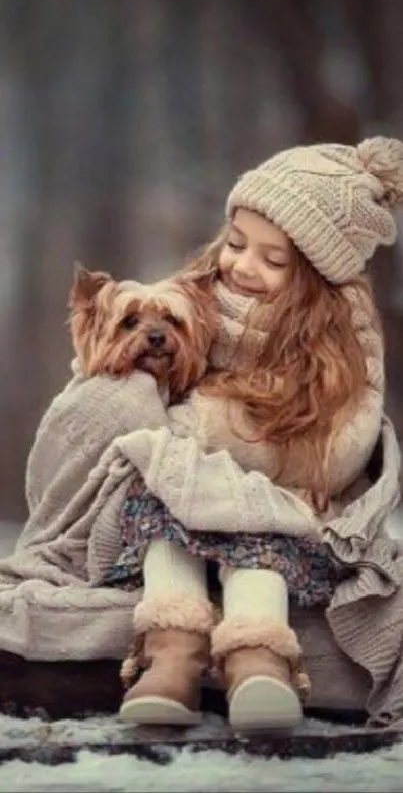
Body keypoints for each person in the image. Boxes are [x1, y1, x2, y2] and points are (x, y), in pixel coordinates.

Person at [0, 136, 402, 732]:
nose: (243, 266)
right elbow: (104, 404)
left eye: (274, 259)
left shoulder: (348, 341)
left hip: (286, 509)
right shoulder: (197, 295)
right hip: (176, 510)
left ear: (317, 275)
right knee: (167, 512)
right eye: (237, 244)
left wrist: (188, 438)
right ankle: (170, 656)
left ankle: (260, 662)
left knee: (252, 527)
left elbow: (339, 451)